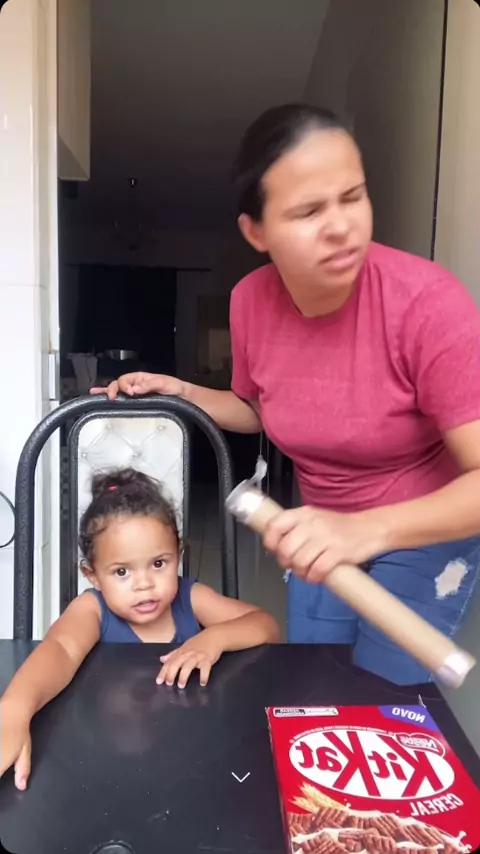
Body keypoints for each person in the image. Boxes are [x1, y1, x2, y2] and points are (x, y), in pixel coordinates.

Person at [91, 104, 480, 687]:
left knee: (385, 702)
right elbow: (257, 410)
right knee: (313, 683)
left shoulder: (426, 304)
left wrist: (368, 529)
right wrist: (183, 390)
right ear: (257, 231)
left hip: (425, 532)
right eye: (308, 211)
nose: (341, 226)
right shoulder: (250, 301)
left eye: (353, 197)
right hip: (319, 527)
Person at [0, 468, 279, 790]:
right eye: (121, 572)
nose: (144, 584)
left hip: (187, 759)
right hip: (110, 774)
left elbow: (267, 626)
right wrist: (14, 710)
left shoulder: (189, 598)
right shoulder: (92, 609)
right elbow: (60, 649)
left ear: (178, 556)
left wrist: (214, 637)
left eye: (159, 563)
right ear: (92, 575)